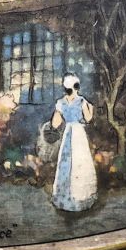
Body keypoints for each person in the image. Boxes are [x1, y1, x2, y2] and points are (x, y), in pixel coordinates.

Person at [50, 73, 97, 212]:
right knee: (79, 162)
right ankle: (80, 197)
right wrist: (91, 109)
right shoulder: (81, 101)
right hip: (78, 134)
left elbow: (55, 123)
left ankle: (64, 197)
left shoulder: (61, 103)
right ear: (77, 87)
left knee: (66, 163)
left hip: (68, 132)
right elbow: (88, 119)